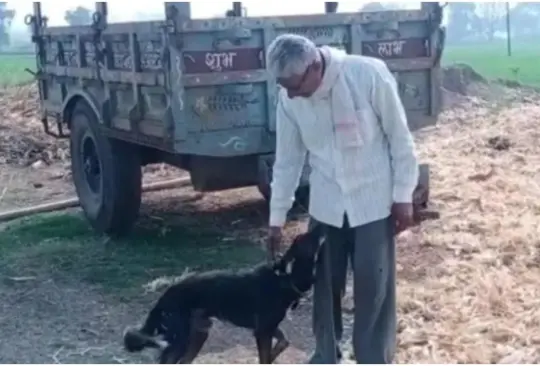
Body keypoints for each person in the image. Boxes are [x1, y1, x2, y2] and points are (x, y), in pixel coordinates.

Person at [265, 34, 419, 364]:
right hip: (327, 206)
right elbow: (288, 160)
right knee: (324, 285)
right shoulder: (289, 99)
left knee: (373, 288)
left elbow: (399, 137)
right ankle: (325, 354)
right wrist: (276, 217)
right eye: (283, 85)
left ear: (315, 66)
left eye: (294, 84)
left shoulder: (367, 75)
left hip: (373, 201)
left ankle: (373, 357)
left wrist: (403, 195)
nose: (290, 93)